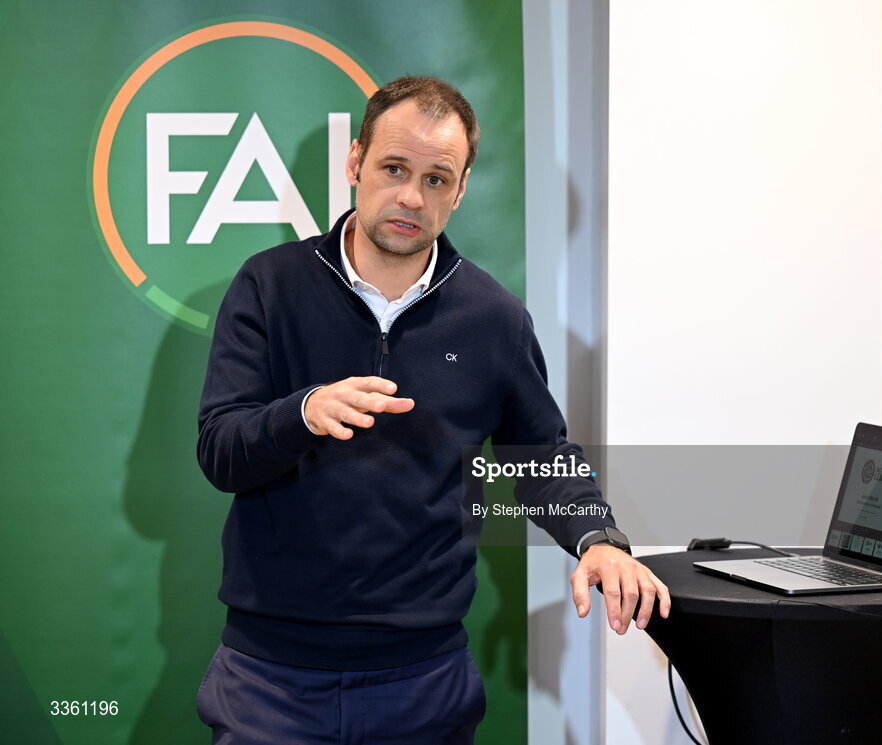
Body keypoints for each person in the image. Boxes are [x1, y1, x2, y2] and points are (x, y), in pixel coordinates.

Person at [195, 76, 669, 744]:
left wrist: (600, 539)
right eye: (394, 169)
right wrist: (301, 412)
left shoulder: (494, 318)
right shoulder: (268, 286)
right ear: (355, 160)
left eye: (438, 179)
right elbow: (220, 447)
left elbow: (543, 455)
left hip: (422, 681)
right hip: (270, 678)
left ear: (463, 188)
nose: (412, 197)